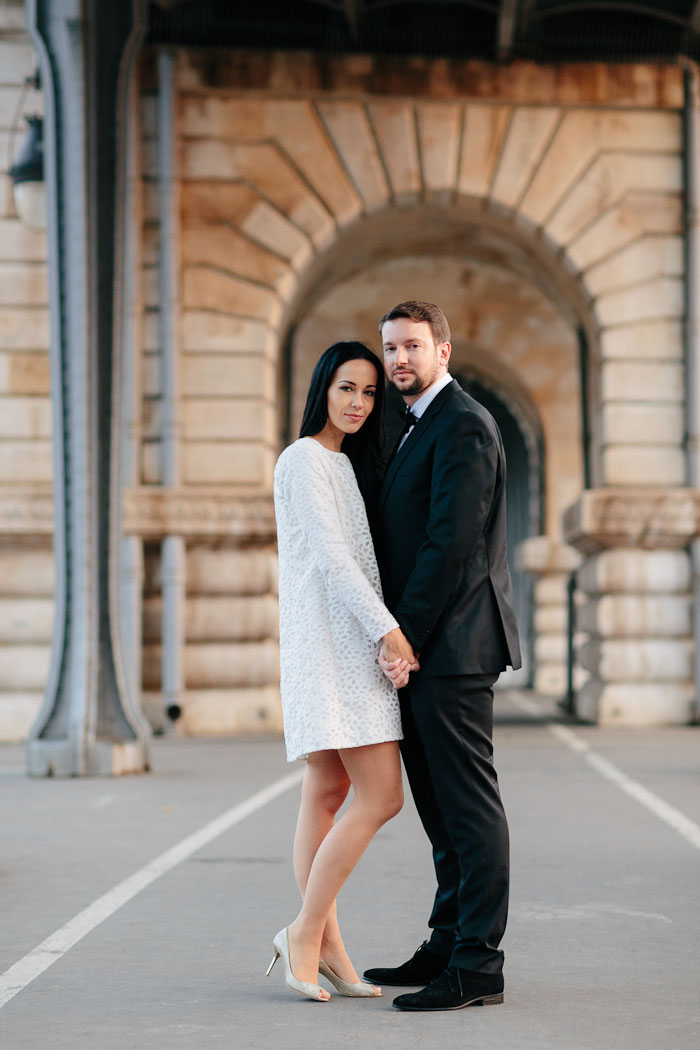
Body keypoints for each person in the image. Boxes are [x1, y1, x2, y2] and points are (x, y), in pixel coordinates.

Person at [363, 301, 521, 1012]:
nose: (399, 359)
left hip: (451, 647)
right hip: (430, 646)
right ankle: (447, 940)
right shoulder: (416, 425)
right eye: (391, 348)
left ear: (443, 352)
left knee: (467, 807)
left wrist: (406, 639)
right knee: (438, 807)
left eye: (412, 347)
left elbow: (448, 545)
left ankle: (477, 964)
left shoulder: (462, 424)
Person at [267, 340, 418, 1002]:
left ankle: (327, 946)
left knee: (326, 791)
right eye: (346, 388)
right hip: (335, 645)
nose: (358, 402)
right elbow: (331, 560)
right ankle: (304, 932)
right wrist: (389, 632)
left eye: (368, 392)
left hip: (337, 640)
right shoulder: (304, 460)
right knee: (382, 795)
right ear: (322, 389)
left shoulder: (343, 465)